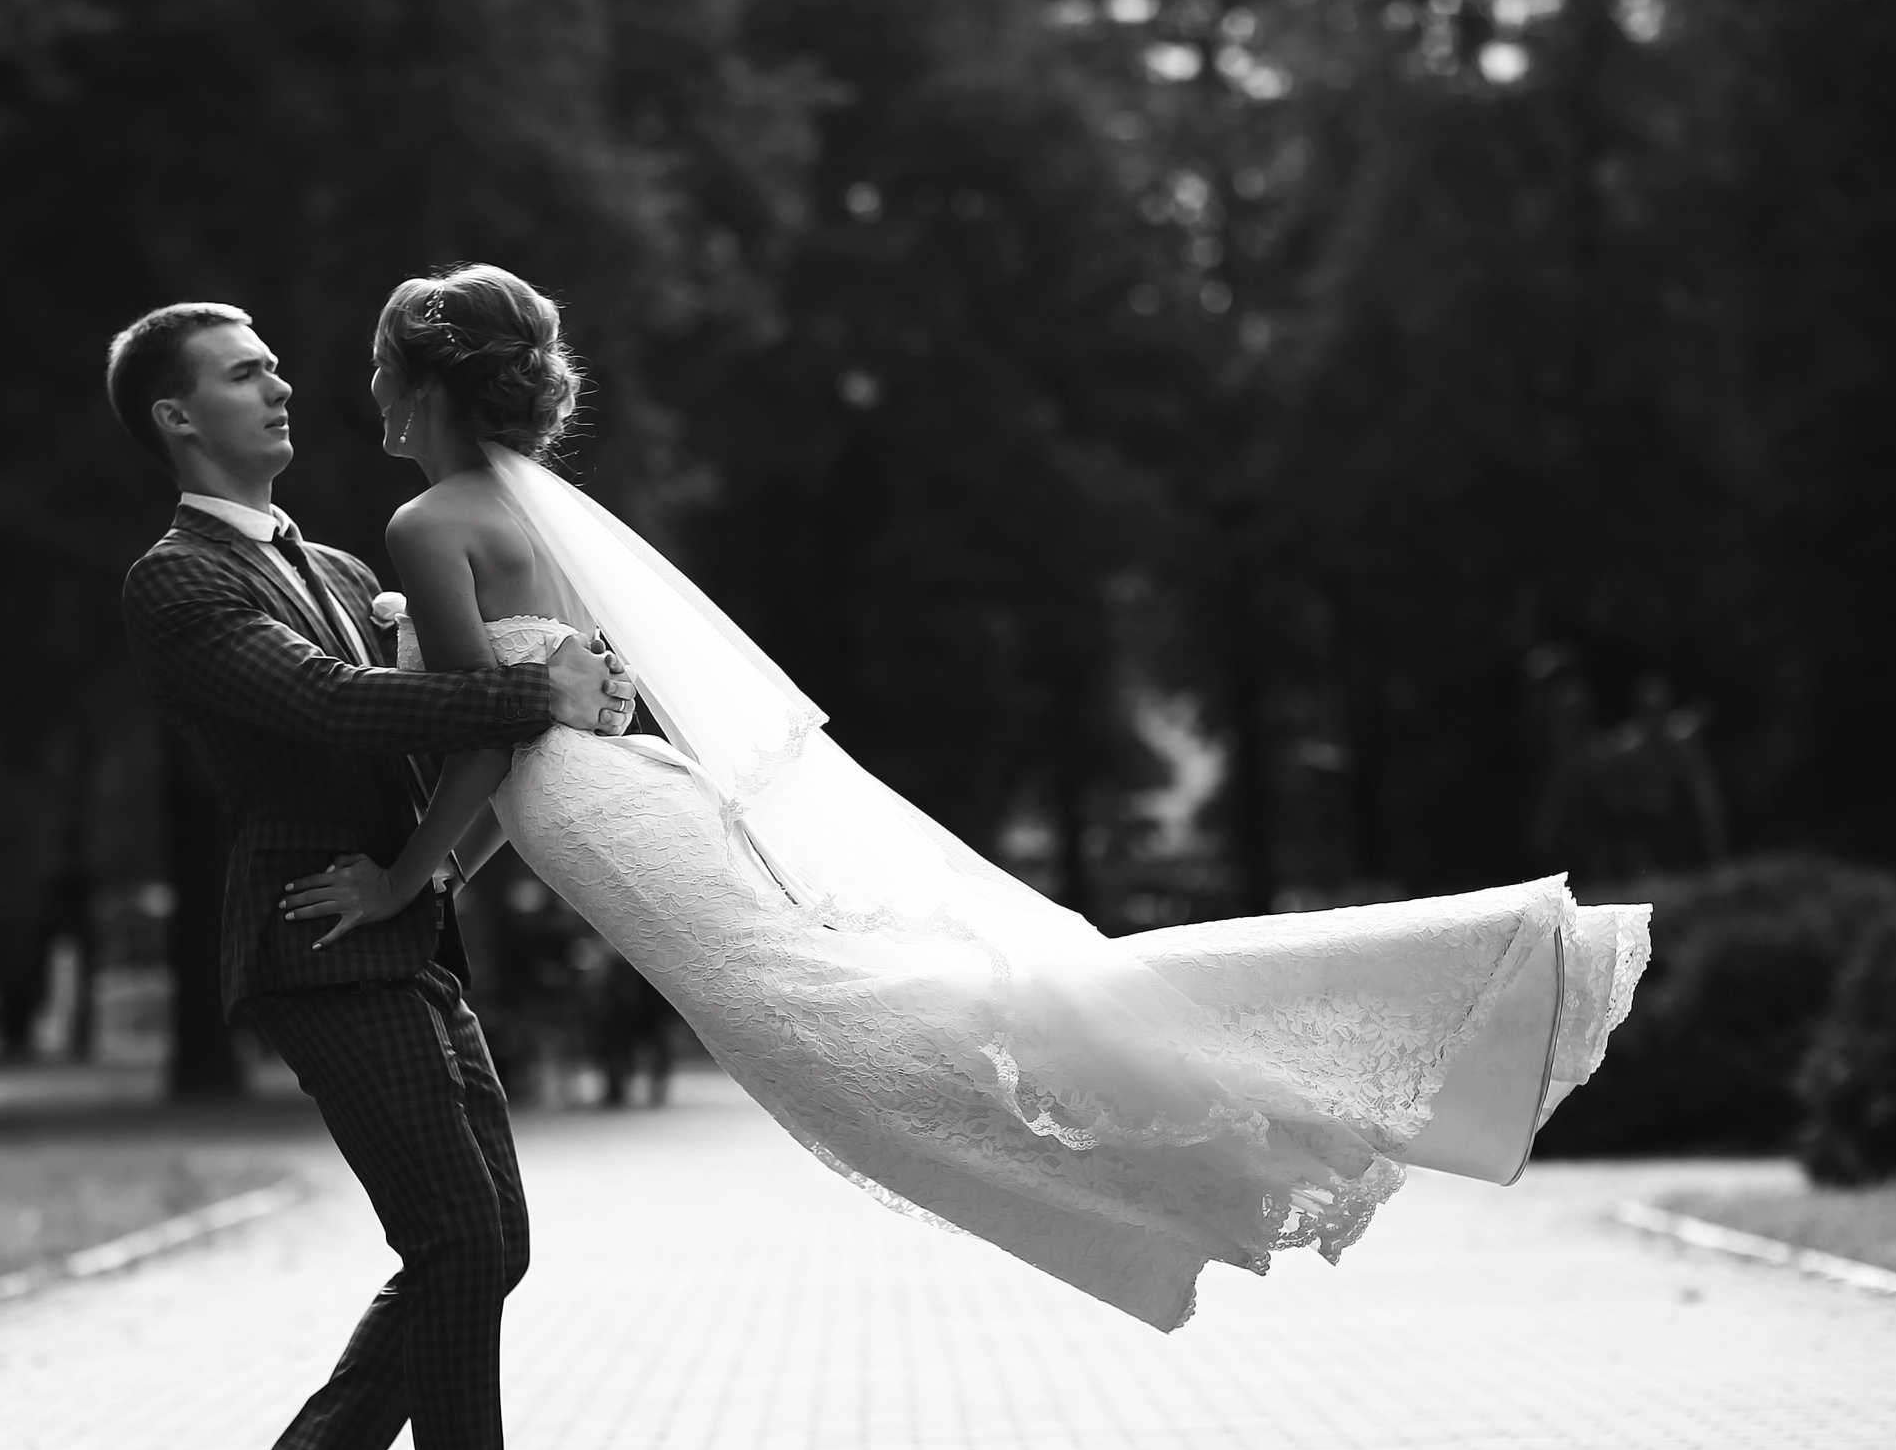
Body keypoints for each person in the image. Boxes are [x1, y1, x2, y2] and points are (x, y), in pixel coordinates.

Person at [280, 264, 1653, 1339]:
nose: (374, 402)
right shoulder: (540, 516)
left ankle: (1268, 1102)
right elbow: (546, 702)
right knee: (898, 1023)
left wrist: (408, 879)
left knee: (869, 1040)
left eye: (384, 378)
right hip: (624, 798)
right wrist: (451, 855)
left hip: (581, 804)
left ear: (433, 384)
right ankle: (1230, 1121)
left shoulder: (430, 524)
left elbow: (483, 729)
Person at [111, 299, 637, 1450]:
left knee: (489, 1246)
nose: (283, 383)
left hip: (405, 928)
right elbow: (338, 709)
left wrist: (451, 848)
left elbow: (417, 718)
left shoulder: (345, 562)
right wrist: (540, 693)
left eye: (277, 364)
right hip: (315, 934)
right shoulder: (176, 581)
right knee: (464, 1241)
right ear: (177, 417)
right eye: (243, 373)